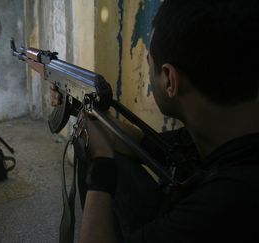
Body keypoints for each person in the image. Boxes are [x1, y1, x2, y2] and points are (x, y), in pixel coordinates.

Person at [51, 0, 259, 242]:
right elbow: (143, 143)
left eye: (149, 61)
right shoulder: (226, 130)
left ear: (170, 79)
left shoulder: (219, 205)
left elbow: (112, 154)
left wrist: (101, 164)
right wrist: (80, 107)